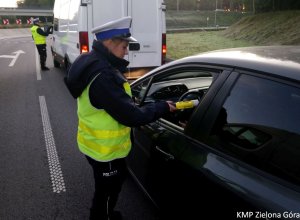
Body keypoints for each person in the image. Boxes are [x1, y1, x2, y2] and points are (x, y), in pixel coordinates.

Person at [64, 16, 176, 220]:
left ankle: (105, 212)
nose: (126, 51)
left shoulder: (89, 60)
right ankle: (102, 216)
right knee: (107, 192)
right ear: (109, 43)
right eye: (124, 46)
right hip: (105, 152)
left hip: (93, 145)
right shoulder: (103, 76)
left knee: (111, 184)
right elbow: (131, 116)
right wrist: (162, 107)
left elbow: (115, 102)